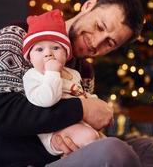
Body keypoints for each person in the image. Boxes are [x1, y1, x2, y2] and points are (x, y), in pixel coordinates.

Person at [0, 0, 153, 167]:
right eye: (99, 26)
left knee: (148, 149)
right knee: (113, 151)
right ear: (89, 6)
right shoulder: (19, 37)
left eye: (110, 43)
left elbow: (78, 134)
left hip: (60, 158)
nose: (96, 42)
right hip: (14, 162)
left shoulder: (85, 72)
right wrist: (82, 109)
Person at [22, 10, 101, 156]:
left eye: (55, 48)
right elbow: (47, 100)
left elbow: (80, 94)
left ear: (66, 54)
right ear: (30, 57)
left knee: (104, 141)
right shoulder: (32, 76)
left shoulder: (74, 74)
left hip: (78, 122)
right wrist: (52, 73)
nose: (48, 53)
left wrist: (94, 103)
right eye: (39, 49)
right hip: (53, 130)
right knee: (89, 137)